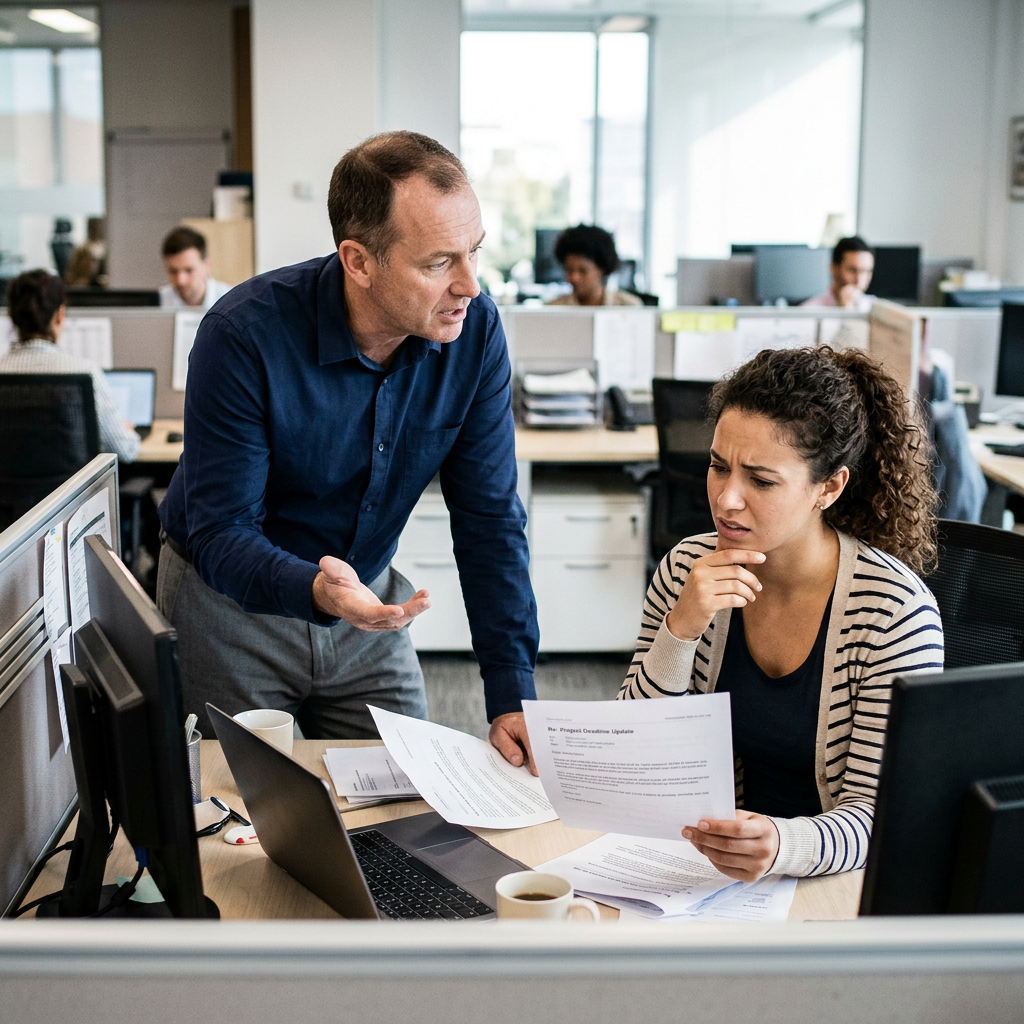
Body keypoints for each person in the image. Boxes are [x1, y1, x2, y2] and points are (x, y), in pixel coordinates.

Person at [157, 131, 539, 770]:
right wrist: (317, 589)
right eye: (439, 262)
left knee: (407, 810)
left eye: (474, 252)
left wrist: (512, 691)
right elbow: (222, 532)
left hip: (368, 605)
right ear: (359, 261)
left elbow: (491, 520)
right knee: (240, 823)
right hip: (232, 612)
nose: (471, 285)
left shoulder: (474, 334)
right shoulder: (243, 336)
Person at [618, 346, 944, 881]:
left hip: (831, 881)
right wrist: (680, 631)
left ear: (829, 487)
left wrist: (780, 845)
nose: (726, 500)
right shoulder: (687, 569)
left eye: (761, 481)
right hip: (703, 868)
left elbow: (878, 815)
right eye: (718, 467)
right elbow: (636, 761)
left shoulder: (892, 612)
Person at [0, 269, 140, 462]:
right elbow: (126, 451)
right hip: (71, 492)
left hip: (8, 492)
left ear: (12, 316)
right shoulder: (83, 373)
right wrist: (126, 432)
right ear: (60, 315)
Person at [545, 224, 642, 307]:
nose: (574, 278)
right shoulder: (553, 309)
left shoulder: (628, 306)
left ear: (601, 269)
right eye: (569, 270)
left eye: (583, 271)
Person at [159, 227, 233, 310]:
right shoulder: (158, 302)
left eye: (189, 270)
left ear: (207, 266)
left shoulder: (231, 301)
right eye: (173, 271)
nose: (181, 281)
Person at [803, 236, 875, 310]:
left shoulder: (874, 309)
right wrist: (845, 310)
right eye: (853, 270)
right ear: (834, 268)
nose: (859, 280)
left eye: (866, 271)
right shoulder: (810, 310)